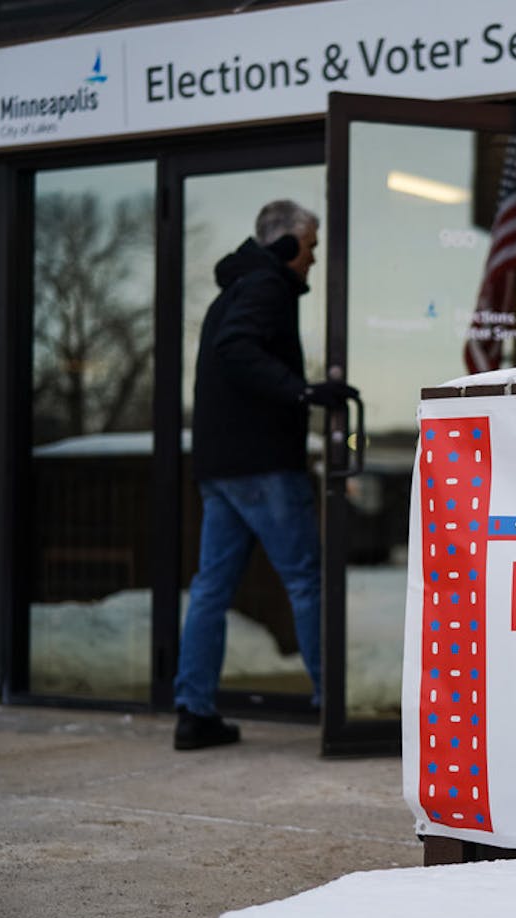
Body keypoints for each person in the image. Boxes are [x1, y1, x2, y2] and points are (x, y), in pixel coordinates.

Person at [174, 198, 358, 750]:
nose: (313, 260)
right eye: (310, 248)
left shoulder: (234, 290)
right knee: (306, 580)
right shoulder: (265, 287)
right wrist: (303, 392)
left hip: (221, 468)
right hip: (264, 466)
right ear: (284, 246)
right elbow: (236, 350)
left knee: (211, 588)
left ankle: (194, 711)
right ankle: (335, 710)